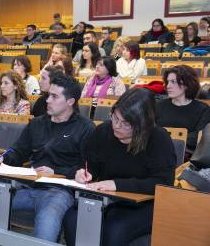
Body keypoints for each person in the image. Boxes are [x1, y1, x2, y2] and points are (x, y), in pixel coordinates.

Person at [0, 74, 95, 245]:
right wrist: (2, 158)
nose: (48, 100)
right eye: (48, 95)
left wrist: (57, 172)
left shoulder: (85, 128)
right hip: (26, 184)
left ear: (70, 102)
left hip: (58, 191)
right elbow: (18, 151)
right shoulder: (37, 123)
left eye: (54, 96)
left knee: (48, 222)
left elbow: (87, 170)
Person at [63, 88, 176, 246]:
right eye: (115, 118)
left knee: (114, 230)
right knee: (72, 220)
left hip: (142, 204)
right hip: (106, 200)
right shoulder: (103, 131)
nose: (116, 126)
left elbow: (163, 183)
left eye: (126, 123)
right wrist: (84, 172)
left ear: (142, 124)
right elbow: (89, 163)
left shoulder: (159, 139)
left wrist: (116, 184)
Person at [156, 65, 210, 152]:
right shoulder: (158, 106)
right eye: (167, 82)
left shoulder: (203, 110)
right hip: (157, 152)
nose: (168, 86)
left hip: (187, 157)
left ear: (187, 84)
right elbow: (149, 131)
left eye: (173, 82)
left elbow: (197, 138)